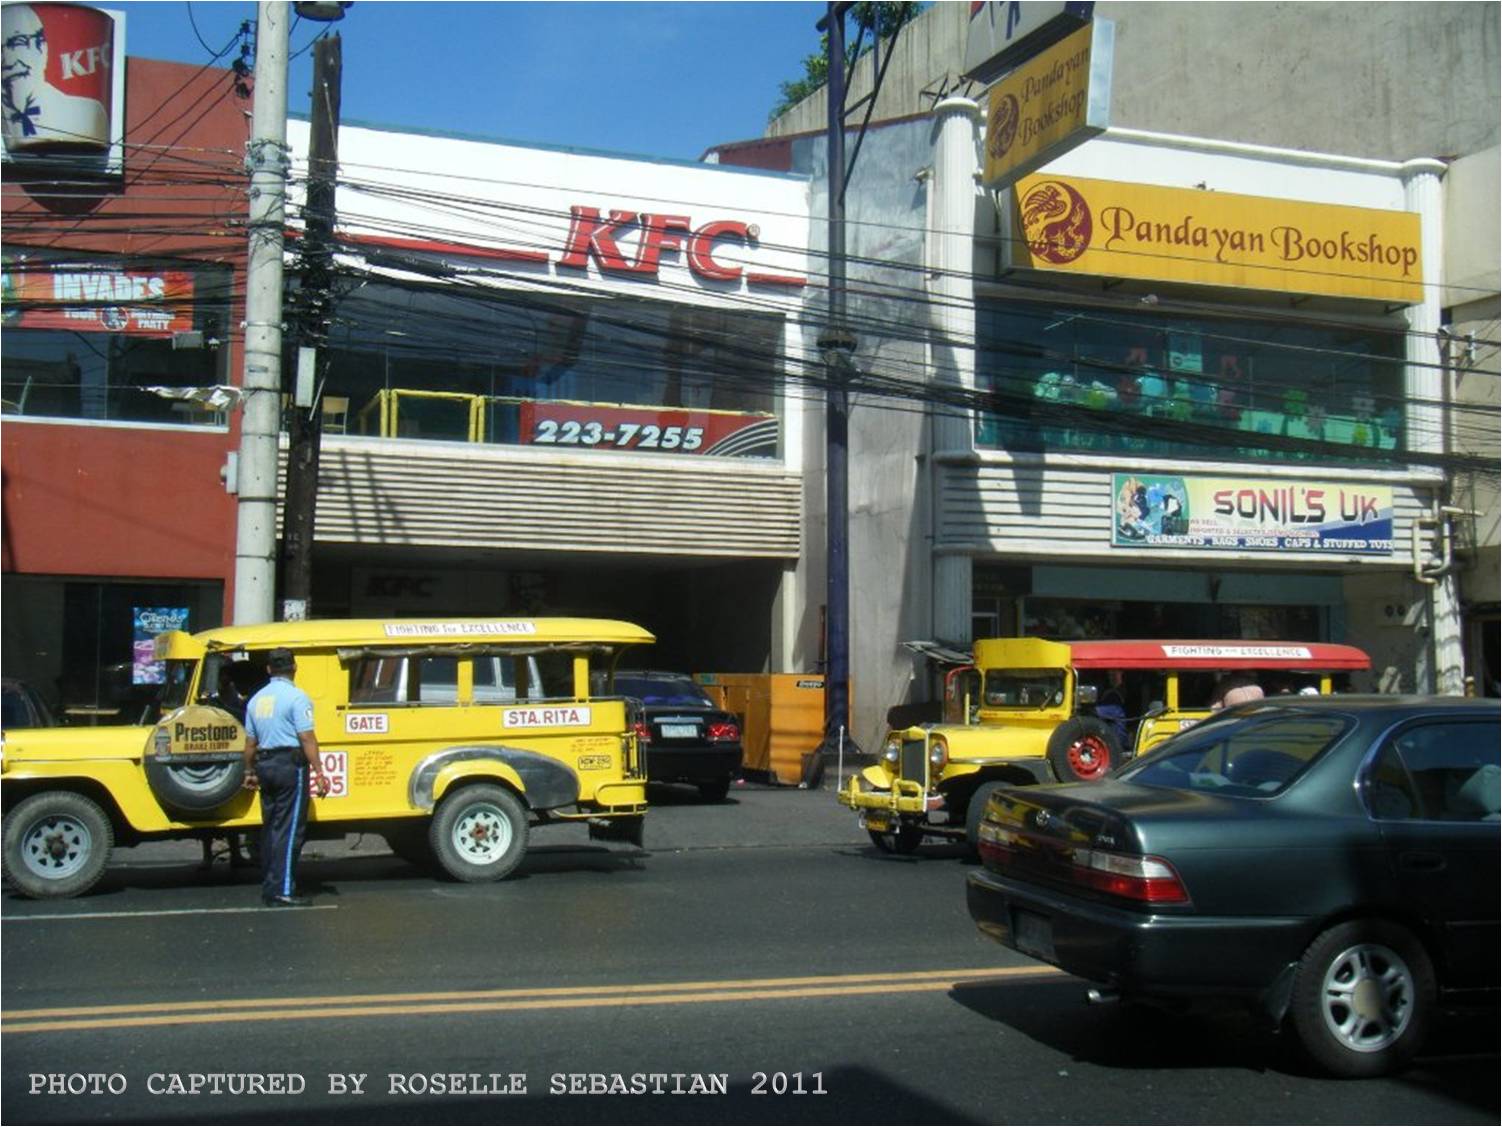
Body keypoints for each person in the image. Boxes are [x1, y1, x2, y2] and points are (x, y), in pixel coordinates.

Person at [241, 648, 330, 907]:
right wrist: (320, 772)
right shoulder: (297, 697)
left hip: (264, 764)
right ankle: (284, 890)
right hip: (289, 765)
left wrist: (249, 771)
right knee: (290, 830)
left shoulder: (256, 700)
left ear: (268, 670)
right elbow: (306, 738)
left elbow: (250, 743)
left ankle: (271, 885)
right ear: (294, 667)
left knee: (271, 828)